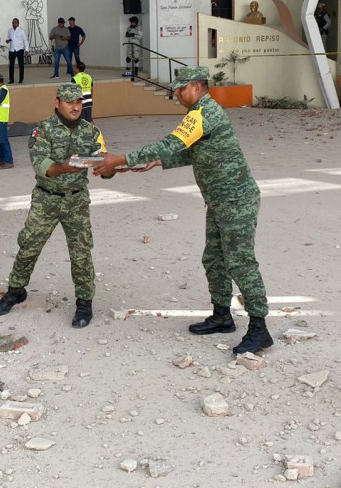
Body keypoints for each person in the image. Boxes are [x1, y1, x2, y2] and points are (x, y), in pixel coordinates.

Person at [94, 66, 274, 356]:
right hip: (219, 201)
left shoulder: (203, 113)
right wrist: (159, 162)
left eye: (181, 88)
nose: (176, 93)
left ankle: (260, 328)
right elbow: (195, 152)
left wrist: (120, 159)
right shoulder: (199, 114)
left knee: (240, 263)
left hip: (236, 200)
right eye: (175, 89)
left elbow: (170, 144)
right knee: (214, 259)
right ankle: (222, 316)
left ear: (198, 87)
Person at [0, 83, 110, 328]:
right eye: (69, 102)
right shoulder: (42, 130)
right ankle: (16, 290)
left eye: (78, 102)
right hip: (46, 199)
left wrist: (108, 168)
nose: (75, 107)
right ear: (57, 103)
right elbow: (42, 166)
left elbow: (103, 160)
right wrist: (68, 166)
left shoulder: (91, 131)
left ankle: (84, 303)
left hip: (76, 200)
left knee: (81, 252)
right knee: (29, 245)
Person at [6, 18, 27, 84]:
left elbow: (25, 40)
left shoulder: (21, 31)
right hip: (12, 50)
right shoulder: (10, 30)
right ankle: (11, 80)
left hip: (19, 49)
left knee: (21, 65)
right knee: (11, 66)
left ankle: (21, 79)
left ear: (18, 23)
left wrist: (26, 50)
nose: (14, 24)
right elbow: (8, 38)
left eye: (15, 22)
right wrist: (8, 40)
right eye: (13, 22)